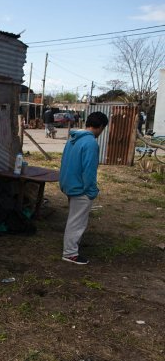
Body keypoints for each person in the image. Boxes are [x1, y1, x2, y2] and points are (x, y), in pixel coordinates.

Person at [59, 111, 109, 265]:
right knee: (77, 221)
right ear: (100, 126)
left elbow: (64, 161)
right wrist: (91, 191)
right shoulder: (91, 143)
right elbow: (89, 170)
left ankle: (72, 247)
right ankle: (70, 253)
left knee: (74, 218)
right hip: (81, 188)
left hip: (69, 184)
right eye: (103, 128)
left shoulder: (72, 139)